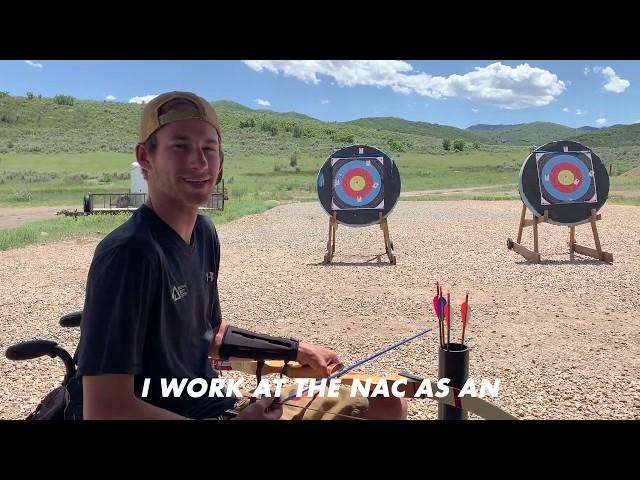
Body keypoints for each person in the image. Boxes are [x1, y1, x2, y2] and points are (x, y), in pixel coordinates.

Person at [75, 91, 407, 420]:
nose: (199, 162)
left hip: (217, 403)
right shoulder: (129, 253)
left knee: (389, 402)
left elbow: (212, 333)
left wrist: (295, 349)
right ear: (146, 158)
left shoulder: (204, 233)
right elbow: (105, 409)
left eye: (209, 149)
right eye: (180, 146)